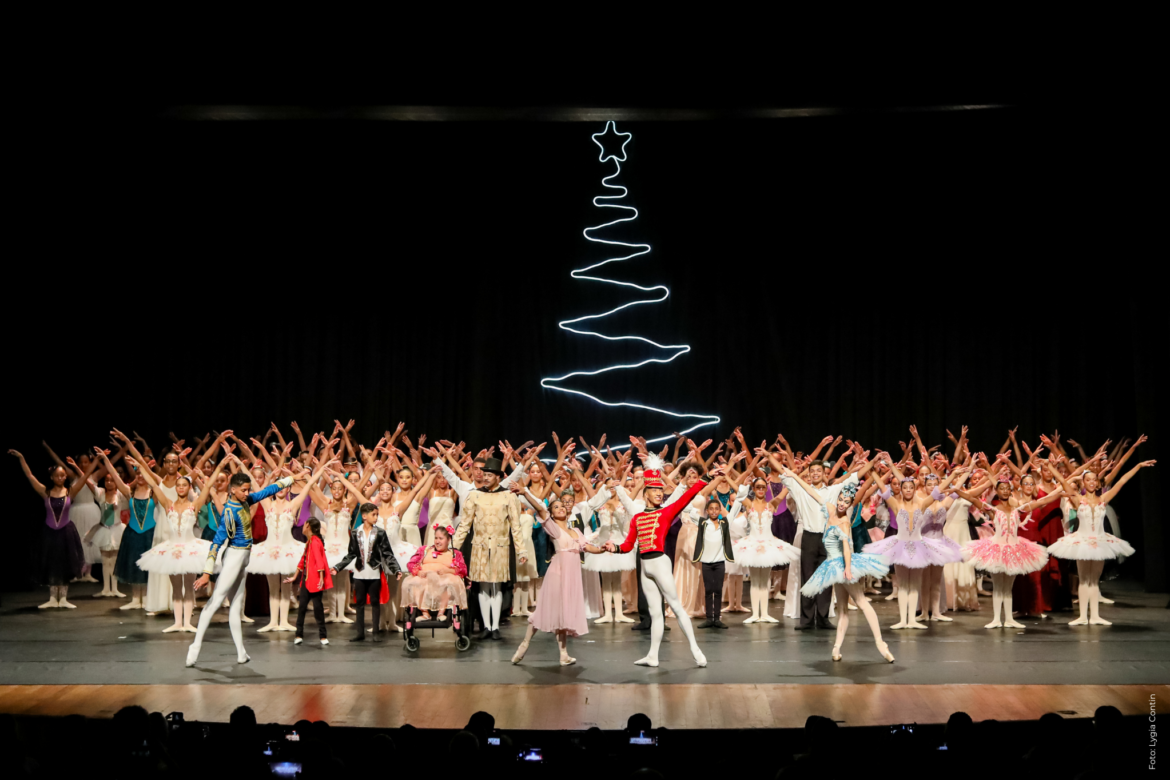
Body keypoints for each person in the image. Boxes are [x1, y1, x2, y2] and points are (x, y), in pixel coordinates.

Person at [185, 452, 309, 667]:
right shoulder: (229, 512)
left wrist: (292, 479)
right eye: (243, 490)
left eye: (247, 490)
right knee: (215, 601)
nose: (247, 493)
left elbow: (268, 490)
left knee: (236, 606)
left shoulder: (246, 500)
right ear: (232, 490)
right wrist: (206, 573)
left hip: (244, 558)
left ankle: (241, 652)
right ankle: (195, 647)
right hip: (234, 556)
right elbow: (216, 542)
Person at [602, 449, 723, 667]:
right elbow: (629, 544)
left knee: (676, 606)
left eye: (660, 490)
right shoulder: (637, 518)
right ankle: (652, 656)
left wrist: (706, 478)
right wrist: (615, 547)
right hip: (645, 565)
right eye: (655, 490)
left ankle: (696, 650)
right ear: (646, 493)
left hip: (659, 561)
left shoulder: (666, 512)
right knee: (655, 613)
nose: (659, 493)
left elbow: (686, 496)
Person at [786, 468, 895, 662]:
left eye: (847, 502)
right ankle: (836, 648)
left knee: (861, 601)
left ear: (850, 504)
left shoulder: (844, 522)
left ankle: (880, 643)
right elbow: (811, 492)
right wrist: (794, 476)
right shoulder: (829, 510)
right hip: (832, 566)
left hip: (843, 566)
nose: (843, 504)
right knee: (843, 609)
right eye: (841, 501)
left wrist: (847, 568)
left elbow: (846, 547)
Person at [762, 444, 874, 629]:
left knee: (826, 579)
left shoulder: (833, 490)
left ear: (824, 474)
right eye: (811, 470)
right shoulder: (800, 489)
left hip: (828, 539)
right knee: (808, 579)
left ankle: (823, 618)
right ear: (809, 474)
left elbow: (856, 476)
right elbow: (782, 469)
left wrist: (873, 463)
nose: (814, 473)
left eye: (818, 471)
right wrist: (767, 455)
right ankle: (806, 619)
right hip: (809, 538)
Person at [1044, 458, 1151, 625]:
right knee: (1083, 579)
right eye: (1088, 480)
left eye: (1094, 480)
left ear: (1098, 483)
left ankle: (1095, 616)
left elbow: (1122, 480)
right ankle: (1082, 616)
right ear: (1084, 483)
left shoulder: (1104, 498)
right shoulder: (1078, 499)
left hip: (1099, 541)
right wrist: (1051, 465)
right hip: (1082, 541)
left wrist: (1138, 465)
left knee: (1094, 580)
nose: (1092, 482)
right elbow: (1063, 481)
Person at [511, 485, 609, 665]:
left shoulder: (576, 531)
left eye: (562, 505)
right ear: (552, 514)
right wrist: (525, 492)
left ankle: (563, 654)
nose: (561, 508)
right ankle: (524, 644)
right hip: (558, 572)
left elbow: (588, 547)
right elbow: (540, 508)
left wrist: (603, 549)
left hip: (572, 575)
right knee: (544, 610)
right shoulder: (554, 528)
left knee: (563, 613)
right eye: (556, 507)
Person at [129, 454, 227, 632]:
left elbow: (208, 486)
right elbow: (152, 484)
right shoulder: (168, 504)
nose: (181, 488)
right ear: (175, 488)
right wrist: (141, 467)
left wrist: (220, 466)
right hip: (172, 548)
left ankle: (188, 623)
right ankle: (177, 622)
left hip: (190, 548)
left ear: (188, 487)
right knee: (175, 587)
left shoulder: (195, 504)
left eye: (184, 485)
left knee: (189, 586)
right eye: (179, 485)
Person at [956, 468, 1060, 629]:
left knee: (1008, 587)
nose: (1004, 490)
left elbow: (1042, 501)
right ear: (996, 491)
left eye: (1007, 488)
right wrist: (956, 489)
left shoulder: (1019, 509)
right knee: (998, 586)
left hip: (1014, 548)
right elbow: (971, 497)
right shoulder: (993, 510)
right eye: (1001, 488)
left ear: (1011, 491)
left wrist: (1062, 490)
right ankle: (997, 619)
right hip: (996, 550)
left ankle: (1010, 619)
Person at [248, 458, 333, 633]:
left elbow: (309, 485)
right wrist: (242, 463)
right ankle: (273, 621)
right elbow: (255, 485)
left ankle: (285, 621)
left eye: (283, 486)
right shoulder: (267, 503)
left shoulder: (293, 504)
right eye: (277, 486)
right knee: (272, 586)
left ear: (287, 489)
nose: (280, 489)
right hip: (269, 549)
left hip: (287, 550)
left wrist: (319, 469)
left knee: (286, 585)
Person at [9, 449, 99, 608]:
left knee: (65, 562)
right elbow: (30, 476)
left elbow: (85, 476)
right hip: (49, 533)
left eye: (63, 475)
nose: (61, 477)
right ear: (52, 477)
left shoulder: (71, 491)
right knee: (52, 563)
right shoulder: (46, 492)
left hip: (66, 532)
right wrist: (22, 458)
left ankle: (63, 598)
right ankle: (52, 598)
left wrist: (98, 459)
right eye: (58, 475)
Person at [451, 457, 529, 641]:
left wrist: (521, 550)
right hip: (480, 546)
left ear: (497, 476)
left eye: (489, 474)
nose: (485, 477)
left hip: (501, 546)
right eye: (484, 474)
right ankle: (486, 626)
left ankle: (495, 626)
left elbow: (515, 526)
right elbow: (464, 524)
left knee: (497, 587)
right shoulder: (475, 495)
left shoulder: (509, 496)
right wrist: (453, 547)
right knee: (483, 587)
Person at [331, 502, 404, 641]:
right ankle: (360, 633)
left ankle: (376, 632)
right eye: (373, 514)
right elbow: (351, 554)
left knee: (375, 602)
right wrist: (338, 567)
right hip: (359, 573)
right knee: (359, 603)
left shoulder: (380, 533)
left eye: (377, 514)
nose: (376, 517)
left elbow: (387, 554)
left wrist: (396, 569)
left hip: (374, 572)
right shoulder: (355, 532)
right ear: (364, 516)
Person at [401, 524, 468, 621]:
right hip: (425, 578)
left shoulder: (454, 553)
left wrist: (448, 570)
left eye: (441, 538)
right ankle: (425, 613)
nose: (437, 541)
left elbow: (463, 569)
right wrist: (418, 571)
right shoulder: (425, 550)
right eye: (436, 538)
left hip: (444, 579)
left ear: (448, 540)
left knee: (450, 583)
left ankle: (441, 613)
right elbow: (411, 564)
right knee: (412, 583)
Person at [288, 516, 332, 645]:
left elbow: (320, 561)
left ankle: (323, 636)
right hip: (306, 581)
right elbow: (303, 560)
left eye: (304, 524)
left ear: (307, 526)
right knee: (301, 608)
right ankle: (298, 634)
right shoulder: (310, 542)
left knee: (318, 609)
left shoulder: (315, 541)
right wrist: (295, 576)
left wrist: (321, 578)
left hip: (315, 581)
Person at [692, 497, 735, 628]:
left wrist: (743, 486)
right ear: (706, 511)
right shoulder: (703, 523)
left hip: (719, 563)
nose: (714, 511)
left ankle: (717, 618)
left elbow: (738, 504)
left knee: (717, 590)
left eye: (717, 509)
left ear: (720, 510)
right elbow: (689, 509)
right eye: (711, 509)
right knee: (708, 590)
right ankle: (709, 618)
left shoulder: (725, 523)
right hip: (706, 563)